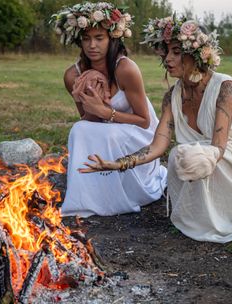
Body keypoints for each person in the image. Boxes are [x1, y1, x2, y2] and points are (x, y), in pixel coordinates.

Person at [79, 16, 232, 243]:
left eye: (175, 52)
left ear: (197, 54)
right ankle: (196, 216)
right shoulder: (171, 97)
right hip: (198, 160)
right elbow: (157, 146)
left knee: (191, 155)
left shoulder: (225, 88)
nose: (168, 60)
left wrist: (199, 156)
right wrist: (118, 163)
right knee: (179, 155)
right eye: (166, 53)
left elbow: (218, 147)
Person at [52, 2, 167, 217]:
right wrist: (92, 102)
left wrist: (107, 112)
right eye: (86, 39)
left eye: (99, 38)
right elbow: (89, 123)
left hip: (140, 134)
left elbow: (144, 121)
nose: (92, 45)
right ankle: (86, 198)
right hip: (107, 130)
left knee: (112, 132)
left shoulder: (126, 69)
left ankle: (121, 197)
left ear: (112, 38)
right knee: (78, 129)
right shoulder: (72, 76)